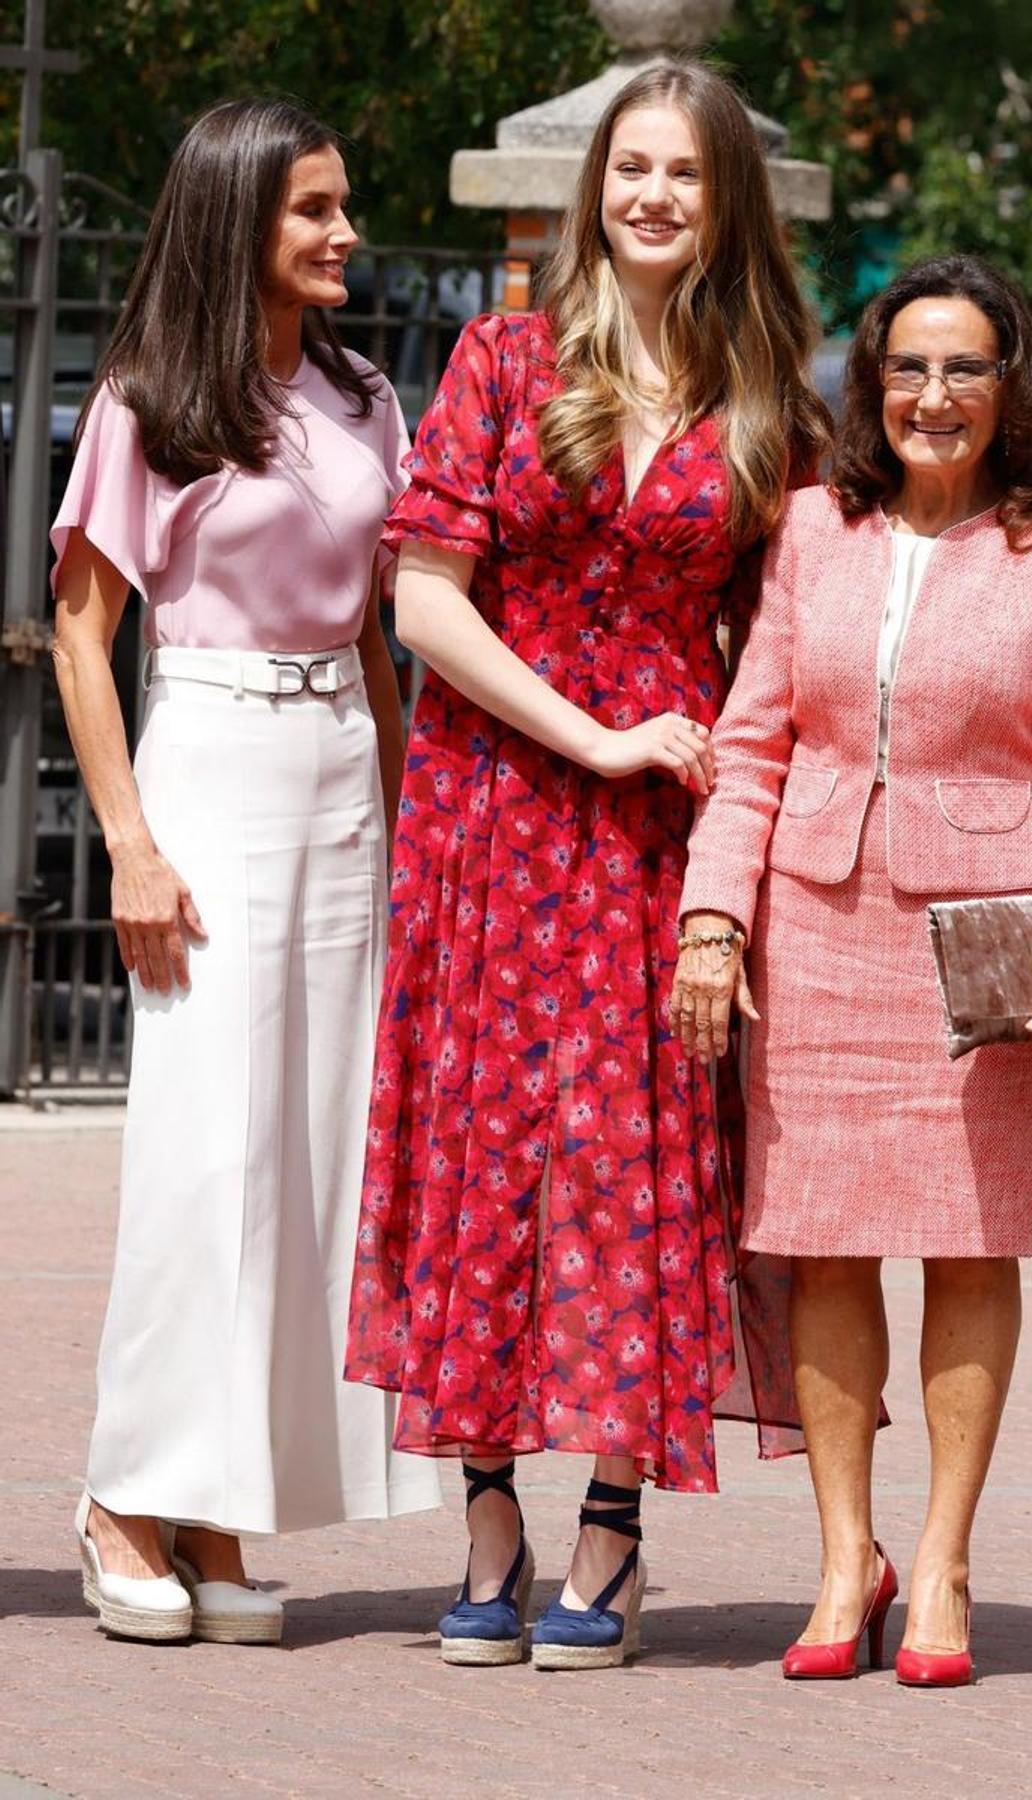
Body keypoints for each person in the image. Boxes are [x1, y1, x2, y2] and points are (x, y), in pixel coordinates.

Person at [344, 60, 830, 1670]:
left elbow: (782, 646)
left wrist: (745, 865)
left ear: (726, 199)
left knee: (635, 1164)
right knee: (487, 1144)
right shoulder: (504, 356)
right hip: (493, 814)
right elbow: (425, 604)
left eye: (687, 175)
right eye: (633, 169)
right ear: (591, 185)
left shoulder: (767, 395)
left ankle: (612, 1529)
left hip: (657, 844)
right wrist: (598, 734)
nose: (655, 198)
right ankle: (487, 1508)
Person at [673, 254, 1032, 1687]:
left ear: (1010, 389)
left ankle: (941, 1563)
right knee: (821, 1241)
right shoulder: (811, 530)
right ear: (869, 383)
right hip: (815, 926)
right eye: (907, 367)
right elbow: (754, 739)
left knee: (968, 1240)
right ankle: (844, 1559)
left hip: (989, 947)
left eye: (964, 368)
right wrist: (715, 916)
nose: (932, 396)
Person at [51, 98, 440, 1646]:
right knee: (208, 1152)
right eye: (314, 210)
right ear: (239, 221)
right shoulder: (152, 398)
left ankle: (221, 1513)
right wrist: (132, 841)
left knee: (310, 1159)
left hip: (344, 763)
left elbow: (383, 638)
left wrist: (413, 833)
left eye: (345, 205)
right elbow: (83, 635)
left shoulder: (361, 393)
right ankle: (123, 1495)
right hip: (206, 762)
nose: (345, 232)